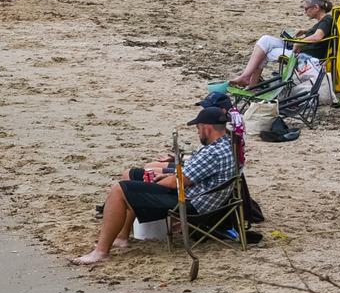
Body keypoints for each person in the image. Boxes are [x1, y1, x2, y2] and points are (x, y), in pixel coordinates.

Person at [75, 106, 240, 265]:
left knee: (119, 189)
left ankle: (101, 252)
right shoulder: (224, 144)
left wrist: (155, 181)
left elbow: (177, 182)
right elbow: (189, 175)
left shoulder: (212, 153)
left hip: (190, 204)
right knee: (132, 176)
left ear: (206, 128)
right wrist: (165, 175)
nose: (197, 132)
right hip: (194, 194)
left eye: (198, 128)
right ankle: (121, 237)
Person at [231, 0, 336, 87]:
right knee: (265, 40)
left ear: (316, 7)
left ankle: (250, 82)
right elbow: (319, 33)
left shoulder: (327, 20)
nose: (305, 12)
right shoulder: (323, 21)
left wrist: (299, 43)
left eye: (306, 9)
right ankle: (246, 77)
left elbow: (317, 37)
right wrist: (306, 31)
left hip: (305, 57)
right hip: (300, 51)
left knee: (265, 52)